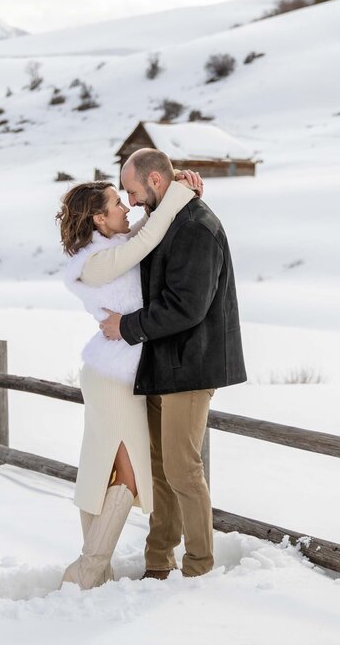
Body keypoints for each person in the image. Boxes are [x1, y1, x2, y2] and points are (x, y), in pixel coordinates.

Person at [98, 148, 247, 580]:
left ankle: (199, 566)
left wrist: (127, 327)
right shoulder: (167, 219)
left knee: (183, 469)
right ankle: (158, 560)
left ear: (156, 182)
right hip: (164, 363)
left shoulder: (196, 228)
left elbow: (187, 307)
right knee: (160, 471)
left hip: (191, 366)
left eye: (132, 190)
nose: (130, 199)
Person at [56, 169, 202, 590]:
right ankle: (87, 568)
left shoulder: (107, 249)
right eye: (116, 203)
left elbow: (144, 226)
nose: (126, 207)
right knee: (132, 475)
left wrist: (177, 188)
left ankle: (96, 572)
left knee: (103, 471)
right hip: (114, 378)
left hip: (111, 373)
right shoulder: (97, 263)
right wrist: (177, 193)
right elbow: (146, 237)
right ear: (99, 220)